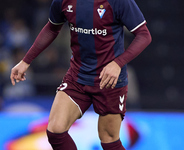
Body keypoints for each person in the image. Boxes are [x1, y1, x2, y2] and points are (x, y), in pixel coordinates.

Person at [10, 0, 152, 149]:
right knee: (55, 130)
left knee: (109, 140)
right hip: (78, 76)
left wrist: (118, 63)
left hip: (109, 80)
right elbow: (52, 28)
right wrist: (26, 61)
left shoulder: (119, 2)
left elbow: (144, 35)